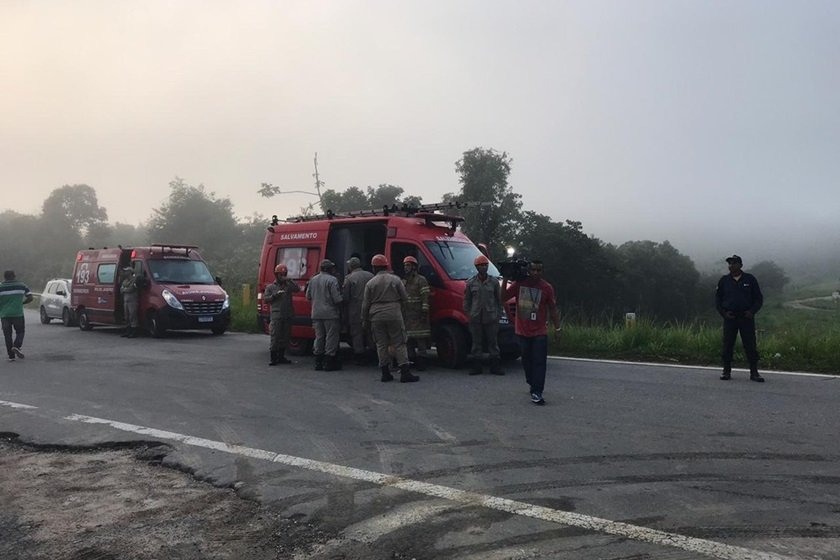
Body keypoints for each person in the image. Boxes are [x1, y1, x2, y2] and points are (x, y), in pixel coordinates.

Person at [502, 260, 561, 405]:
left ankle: (537, 392)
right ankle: (531, 382)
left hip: (539, 331)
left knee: (539, 362)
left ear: (542, 272)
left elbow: (553, 309)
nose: (536, 273)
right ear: (529, 270)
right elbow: (503, 298)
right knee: (527, 361)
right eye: (533, 270)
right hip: (522, 330)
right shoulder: (519, 284)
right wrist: (505, 278)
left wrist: (558, 328)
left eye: (538, 270)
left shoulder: (546, 288)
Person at [362, 254, 419, 383]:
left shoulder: (370, 283)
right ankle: (405, 372)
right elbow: (405, 298)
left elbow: (365, 304)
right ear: (386, 266)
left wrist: (364, 320)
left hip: (376, 315)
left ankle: (385, 373)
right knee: (399, 343)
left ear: (373, 268)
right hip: (394, 313)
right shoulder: (395, 280)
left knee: (381, 344)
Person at [715, 254, 764, 382]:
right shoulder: (724, 281)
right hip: (730, 317)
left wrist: (752, 312)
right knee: (727, 345)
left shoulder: (750, 279)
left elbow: (759, 299)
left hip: (746, 318)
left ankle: (754, 372)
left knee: (750, 345)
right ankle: (726, 371)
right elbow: (717, 300)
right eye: (730, 263)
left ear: (740, 265)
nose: (731, 266)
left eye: (734, 263)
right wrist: (724, 314)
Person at [463, 254, 504, 375]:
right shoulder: (471, 283)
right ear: (477, 267)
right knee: (476, 343)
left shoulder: (494, 282)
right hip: (475, 317)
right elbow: (467, 300)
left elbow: (499, 300)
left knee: (493, 342)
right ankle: (477, 366)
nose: (484, 267)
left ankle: (495, 366)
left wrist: (498, 314)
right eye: (481, 265)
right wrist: (469, 313)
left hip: (491, 317)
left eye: (486, 265)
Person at [306, 259, 343, 371]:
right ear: (328, 269)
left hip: (316, 313)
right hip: (330, 313)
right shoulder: (332, 280)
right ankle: (329, 362)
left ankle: (318, 362)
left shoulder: (313, 280)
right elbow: (337, 299)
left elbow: (308, 296)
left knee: (319, 337)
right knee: (331, 337)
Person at [263, 263, 301, 366]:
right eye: (281, 274)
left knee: (285, 337)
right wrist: (275, 295)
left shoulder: (288, 286)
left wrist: (289, 280)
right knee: (275, 337)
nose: (282, 276)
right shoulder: (271, 287)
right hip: (277, 315)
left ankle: (281, 356)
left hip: (287, 314)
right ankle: (273, 358)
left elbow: (297, 289)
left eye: (284, 274)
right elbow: (266, 299)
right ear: (276, 275)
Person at [401, 256, 432, 371]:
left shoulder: (421, 280)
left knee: (420, 339)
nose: (406, 268)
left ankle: (422, 361)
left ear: (414, 267)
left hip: (418, 314)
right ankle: (411, 360)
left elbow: (425, 297)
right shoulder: (403, 281)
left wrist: (424, 312)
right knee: (408, 339)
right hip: (407, 314)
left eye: (408, 265)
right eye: (405, 265)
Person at [342, 257, 374, 365]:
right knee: (371, 332)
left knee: (357, 334)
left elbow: (346, 297)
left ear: (351, 266)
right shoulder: (370, 275)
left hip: (355, 310)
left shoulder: (349, 278)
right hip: (370, 309)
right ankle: (373, 353)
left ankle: (359, 356)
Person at [0, 270, 33, 362]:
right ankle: (16, 346)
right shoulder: (22, 285)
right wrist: (22, 303)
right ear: (14, 276)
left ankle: (11, 357)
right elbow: (30, 298)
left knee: (7, 335)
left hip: (4, 315)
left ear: (4, 277)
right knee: (20, 332)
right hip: (18, 314)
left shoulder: (0, 286)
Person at [119, 267, 139, 338]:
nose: (125, 272)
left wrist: (124, 289)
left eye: (126, 271)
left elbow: (131, 289)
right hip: (126, 301)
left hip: (132, 301)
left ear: (130, 272)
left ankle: (134, 331)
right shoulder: (125, 280)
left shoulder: (134, 280)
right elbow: (121, 289)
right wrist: (125, 289)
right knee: (126, 317)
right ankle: (128, 331)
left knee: (132, 316)